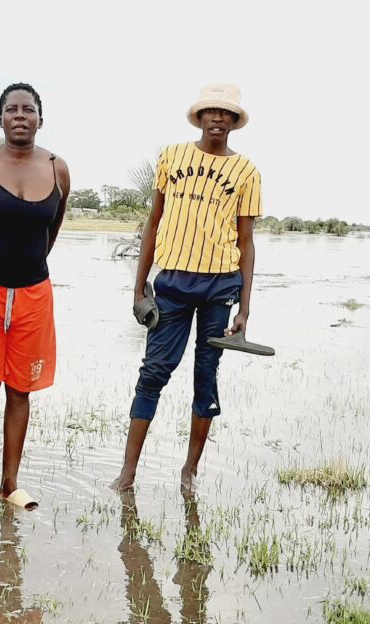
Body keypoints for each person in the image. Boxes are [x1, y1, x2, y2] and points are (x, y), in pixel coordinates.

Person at [111, 84, 263, 493]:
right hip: (173, 283)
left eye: (225, 113)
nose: (217, 118)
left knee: (206, 375)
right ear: (200, 117)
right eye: (210, 111)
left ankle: (189, 473)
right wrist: (139, 287)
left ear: (233, 122)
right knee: (153, 373)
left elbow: (246, 242)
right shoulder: (172, 157)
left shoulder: (247, 172)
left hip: (219, 286)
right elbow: (154, 221)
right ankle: (128, 473)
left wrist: (244, 309)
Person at [0, 83, 70, 512]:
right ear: (0, 118)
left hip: (34, 292)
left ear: (41, 117)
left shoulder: (59, 169)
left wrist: (25, 268)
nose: (20, 116)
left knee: (20, 389)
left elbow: (51, 230)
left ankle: (11, 483)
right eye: (11, 109)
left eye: (28, 109)